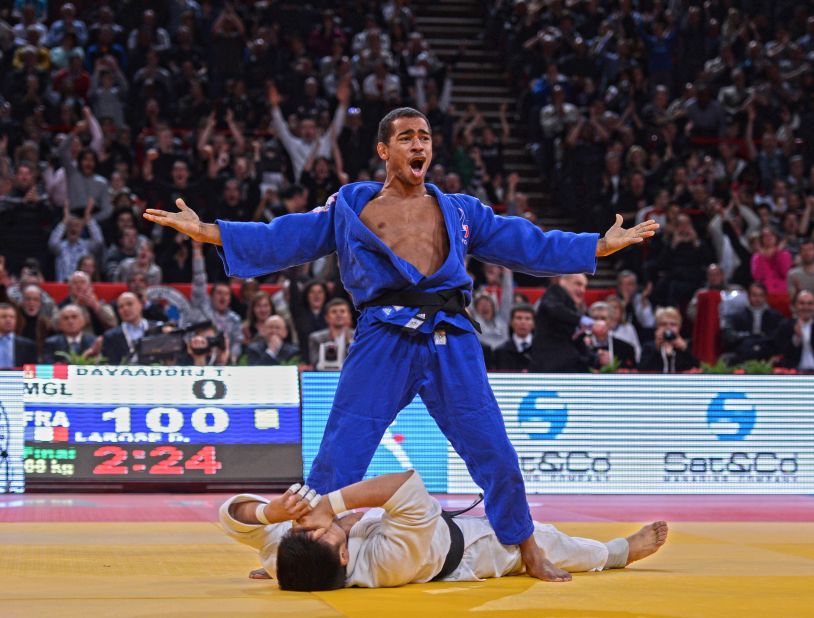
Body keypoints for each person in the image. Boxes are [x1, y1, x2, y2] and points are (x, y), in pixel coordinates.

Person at [145, 106, 658, 581]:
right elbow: (287, 237)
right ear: (384, 150)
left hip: (450, 337)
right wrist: (211, 232)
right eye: (408, 137)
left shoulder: (459, 210)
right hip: (383, 336)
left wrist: (597, 245)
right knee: (341, 448)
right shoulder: (351, 207)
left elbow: (527, 242)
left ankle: (527, 547)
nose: (420, 146)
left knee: (494, 450)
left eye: (426, 138)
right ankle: (303, 542)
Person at [219, 470, 668, 590]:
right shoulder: (386, 564)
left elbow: (229, 515)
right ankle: (619, 551)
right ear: (342, 558)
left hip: (410, 529)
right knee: (548, 544)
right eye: (326, 535)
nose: (313, 526)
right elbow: (405, 486)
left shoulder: (293, 555)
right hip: (469, 551)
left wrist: (269, 514)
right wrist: (333, 507)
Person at [531, 274, 592, 372]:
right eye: (578, 284)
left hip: (566, 368)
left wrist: (596, 359)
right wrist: (582, 320)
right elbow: (554, 308)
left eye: (585, 286)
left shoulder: (572, 308)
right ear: (563, 282)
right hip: (549, 369)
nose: (582, 290)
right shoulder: (555, 291)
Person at [720, 281, 784, 364]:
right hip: (743, 351)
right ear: (748, 296)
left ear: (765, 297)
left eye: (761, 295)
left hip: (767, 353)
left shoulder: (776, 316)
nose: (757, 299)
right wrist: (748, 337)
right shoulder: (736, 316)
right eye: (754, 295)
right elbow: (729, 336)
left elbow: (779, 338)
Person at [638, 307, 699, 373]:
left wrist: (685, 348)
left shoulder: (688, 347)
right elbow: (642, 370)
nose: (668, 327)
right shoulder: (648, 348)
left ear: (679, 327)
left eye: (673, 324)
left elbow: (697, 368)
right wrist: (656, 348)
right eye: (664, 324)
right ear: (657, 326)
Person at [308, 298, 355, 371]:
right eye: (334, 311)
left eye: (342, 311)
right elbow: (315, 364)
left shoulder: (358, 337)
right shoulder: (316, 338)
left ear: (349, 316)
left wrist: (349, 341)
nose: (338, 314)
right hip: (326, 378)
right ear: (326, 317)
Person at [773, 290, 814, 371]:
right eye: (802, 303)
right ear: (795, 306)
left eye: (810, 304)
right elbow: (783, 354)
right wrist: (796, 338)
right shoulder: (785, 326)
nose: (806, 307)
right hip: (794, 374)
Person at [492, 303, 535, 372]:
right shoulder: (500, 352)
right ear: (511, 322)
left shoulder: (541, 351)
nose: (523, 322)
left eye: (527, 318)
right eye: (519, 318)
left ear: (534, 323)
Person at [0, 303, 38, 368]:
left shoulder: (28, 345)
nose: (8, 320)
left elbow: (32, 370)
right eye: (4, 316)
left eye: (12, 317)